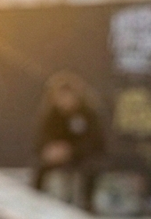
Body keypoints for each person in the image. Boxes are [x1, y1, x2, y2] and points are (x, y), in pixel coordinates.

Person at [33, 72, 107, 211]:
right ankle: (35, 202)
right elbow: (42, 137)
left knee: (91, 168)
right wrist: (50, 149)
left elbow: (95, 141)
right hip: (59, 156)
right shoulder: (51, 114)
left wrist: (70, 150)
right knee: (40, 166)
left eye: (68, 96)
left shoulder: (89, 113)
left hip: (83, 155)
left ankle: (88, 206)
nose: (64, 101)